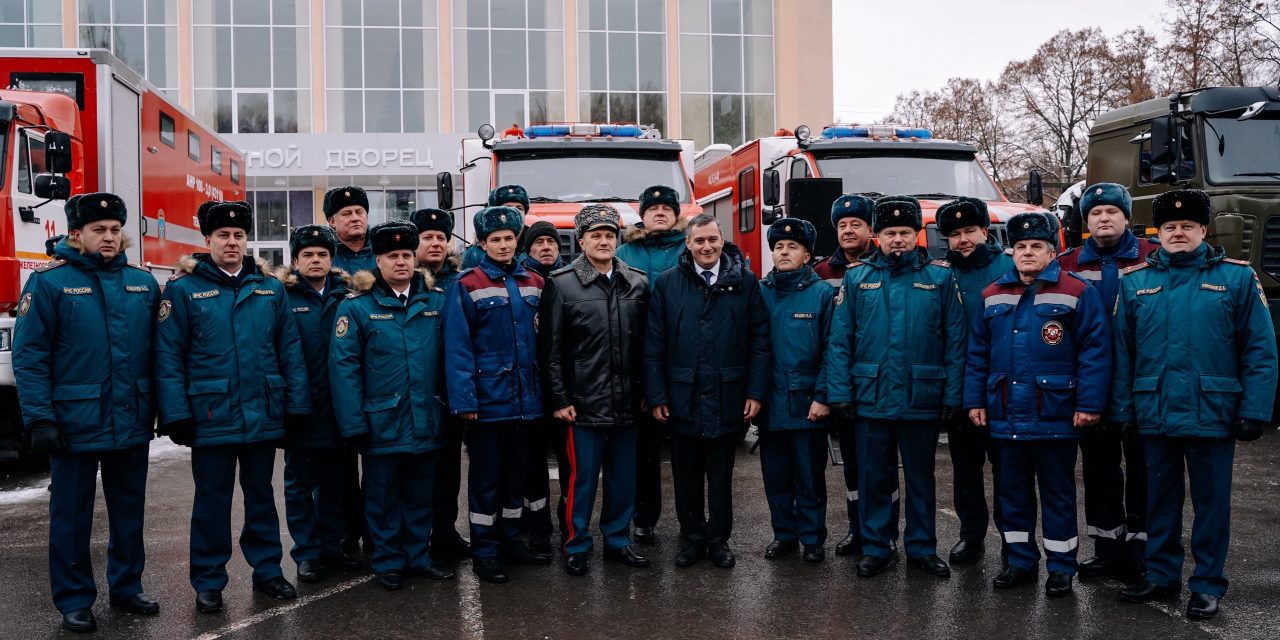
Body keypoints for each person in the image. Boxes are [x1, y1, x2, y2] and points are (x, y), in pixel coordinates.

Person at [1111, 190, 1277, 620]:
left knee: (1211, 505)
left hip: (1213, 410)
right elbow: (1122, 353)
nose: (1178, 233)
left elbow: (1260, 350)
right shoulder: (1135, 282)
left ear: (1204, 230)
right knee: (1158, 501)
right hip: (1155, 410)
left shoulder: (1237, 278)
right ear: (1158, 232)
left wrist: (1255, 410)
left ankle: (1207, 584)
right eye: (1170, 227)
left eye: (1187, 226)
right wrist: (1123, 411)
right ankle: (1161, 575)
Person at [13, 193, 160, 633]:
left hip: (131, 416)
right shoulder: (49, 284)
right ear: (76, 234)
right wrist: (39, 419)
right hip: (74, 422)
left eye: (115, 229)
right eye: (99, 230)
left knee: (129, 511)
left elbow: (161, 354)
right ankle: (74, 598)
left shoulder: (142, 283)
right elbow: (30, 357)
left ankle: (127, 586)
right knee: (71, 516)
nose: (109, 237)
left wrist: (165, 409)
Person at [154, 200, 310, 614]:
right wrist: (176, 414)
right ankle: (209, 580)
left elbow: (290, 351)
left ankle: (268, 570)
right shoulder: (183, 290)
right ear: (207, 240)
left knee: (261, 495)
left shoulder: (269, 288)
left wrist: (296, 406)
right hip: (210, 414)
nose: (232, 242)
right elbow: (168, 356)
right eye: (223, 235)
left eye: (239, 235)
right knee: (212, 501)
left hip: (262, 410)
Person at [966, 212, 1111, 598]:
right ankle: (1020, 562)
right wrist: (975, 400)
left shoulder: (1077, 291)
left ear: (1052, 252)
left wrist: (1089, 404)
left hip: (1055, 413)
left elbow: (1095, 352)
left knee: (1058, 495)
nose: (1028, 252)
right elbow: (977, 355)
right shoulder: (992, 294)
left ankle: (1061, 567)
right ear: (1012, 252)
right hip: (1006, 414)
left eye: (1037, 246)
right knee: (1012, 494)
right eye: (1021, 247)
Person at [824, 196, 966, 580]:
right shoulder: (858, 277)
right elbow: (840, 341)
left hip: (922, 395)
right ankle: (876, 546)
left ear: (917, 233)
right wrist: (839, 393)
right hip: (870, 396)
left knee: (921, 479)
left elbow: (955, 341)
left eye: (905, 232)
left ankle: (922, 548)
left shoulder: (940, 277)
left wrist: (953, 394)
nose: (898, 239)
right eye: (890, 233)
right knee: (873, 478)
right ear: (877, 235)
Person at [330, 221, 455, 591]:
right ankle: (387, 561)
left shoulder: (436, 302)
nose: (401, 262)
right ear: (378, 261)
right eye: (391, 256)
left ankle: (418, 557)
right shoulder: (356, 307)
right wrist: (353, 424)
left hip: (427, 417)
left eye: (406, 255)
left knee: (420, 495)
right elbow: (344, 370)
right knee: (382, 497)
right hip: (381, 421)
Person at [643, 214, 769, 569]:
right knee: (685, 477)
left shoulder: (744, 281)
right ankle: (692, 538)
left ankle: (718, 540)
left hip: (728, 395)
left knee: (721, 477)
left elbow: (760, 340)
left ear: (721, 240)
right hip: (682, 396)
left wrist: (755, 392)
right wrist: (657, 395)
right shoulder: (668, 283)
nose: (706, 246)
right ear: (688, 244)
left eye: (712, 239)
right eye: (699, 240)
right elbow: (653, 344)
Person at [540, 205, 651, 576]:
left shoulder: (637, 282)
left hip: (627, 403)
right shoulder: (561, 283)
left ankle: (617, 540)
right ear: (582, 240)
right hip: (582, 405)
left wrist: (646, 391)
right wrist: (559, 399)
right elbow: (550, 350)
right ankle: (576, 545)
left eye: (609, 235)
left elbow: (646, 346)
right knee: (581, 482)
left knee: (623, 480)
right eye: (596, 235)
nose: (604, 241)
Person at [443, 205, 551, 584]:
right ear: (483, 243)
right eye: (496, 239)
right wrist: (465, 401)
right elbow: (458, 347)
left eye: (509, 238)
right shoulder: (467, 284)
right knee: (486, 482)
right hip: (488, 403)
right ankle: (485, 551)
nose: (504, 245)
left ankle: (511, 541)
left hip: (528, 402)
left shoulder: (535, 282)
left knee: (516, 479)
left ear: (517, 240)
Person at [1056, 183, 1158, 582]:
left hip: (1140, 384)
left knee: (1144, 469)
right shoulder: (1067, 263)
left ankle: (1141, 550)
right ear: (1086, 220)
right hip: (1091, 386)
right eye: (1095, 212)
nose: (1104, 218)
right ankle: (1106, 549)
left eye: (1112, 211)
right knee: (1099, 471)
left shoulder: (1153, 257)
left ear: (1127, 217)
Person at [277, 225, 360, 584]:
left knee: (335, 483)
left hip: (338, 408)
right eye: (307, 254)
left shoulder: (348, 296)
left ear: (331, 259)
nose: (315, 260)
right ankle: (306, 553)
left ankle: (332, 546)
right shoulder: (282, 296)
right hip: (301, 408)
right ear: (295, 260)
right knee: (299, 485)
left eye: (322, 254)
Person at [937, 197, 1013, 566]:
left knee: (1007, 471)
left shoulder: (1010, 267)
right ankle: (971, 536)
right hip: (959, 387)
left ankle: (1013, 539)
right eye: (955, 234)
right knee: (965, 470)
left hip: (1003, 388)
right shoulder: (940, 274)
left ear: (985, 231)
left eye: (970, 231)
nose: (963, 239)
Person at [758, 218, 835, 563]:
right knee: (776, 476)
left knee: (809, 477)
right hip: (770, 402)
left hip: (807, 403)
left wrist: (822, 396)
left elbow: (832, 350)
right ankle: (784, 535)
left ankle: (813, 538)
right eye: (778, 247)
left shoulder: (822, 294)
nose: (784, 252)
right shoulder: (759, 291)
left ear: (807, 255)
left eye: (793, 247)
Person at [615, 184, 685, 545]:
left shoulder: (691, 247)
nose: (660, 213)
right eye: (653, 208)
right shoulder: (624, 253)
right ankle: (644, 518)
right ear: (641, 215)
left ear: (676, 215)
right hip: (637, 358)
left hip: (684, 359)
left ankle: (694, 523)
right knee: (643, 450)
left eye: (667, 208)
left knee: (687, 448)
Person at [813, 193, 878, 556]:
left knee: (879, 466)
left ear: (871, 229)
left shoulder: (884, 266)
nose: (849, 230)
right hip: (840, 384)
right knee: (851, 464)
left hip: (876, 385)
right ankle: (856, 527)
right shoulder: (822, 273)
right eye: (842, 225)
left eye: (856, 224)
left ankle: (879, 531)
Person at [409, 208, 472, 562]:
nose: (436, 243)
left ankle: (445, 532)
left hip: (450, 390)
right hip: (414, 391)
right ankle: (410, 539)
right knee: (414, 472)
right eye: (427, 237)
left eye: (441, 237)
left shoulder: (460, 282)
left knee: (449, 469)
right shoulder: (403, 278)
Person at [323, 185, 373, 557]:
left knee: (379, 468)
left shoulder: (381, 252)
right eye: (346, 213)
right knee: (337, 469)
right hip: (336, 375)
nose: (355, 218)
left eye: (359, 211)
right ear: (331, 221)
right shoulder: (324, 255)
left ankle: (375, 535)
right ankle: (344, 536)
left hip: (379, 375)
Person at [516, 219, 568, 554]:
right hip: (531, 388)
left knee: (569, 464)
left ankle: (569, 526)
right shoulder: (520, 280)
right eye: (539, 242)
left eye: (551, 242)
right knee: (532, 464)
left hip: (564, 391)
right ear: (528, 249)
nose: (546, 247)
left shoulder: (570, 278)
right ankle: (537, 527)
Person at [462, 185, 531, 269]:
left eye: (519, 208)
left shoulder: (535, 244)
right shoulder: (474, 253)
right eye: (507, 208)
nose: (514, 212)